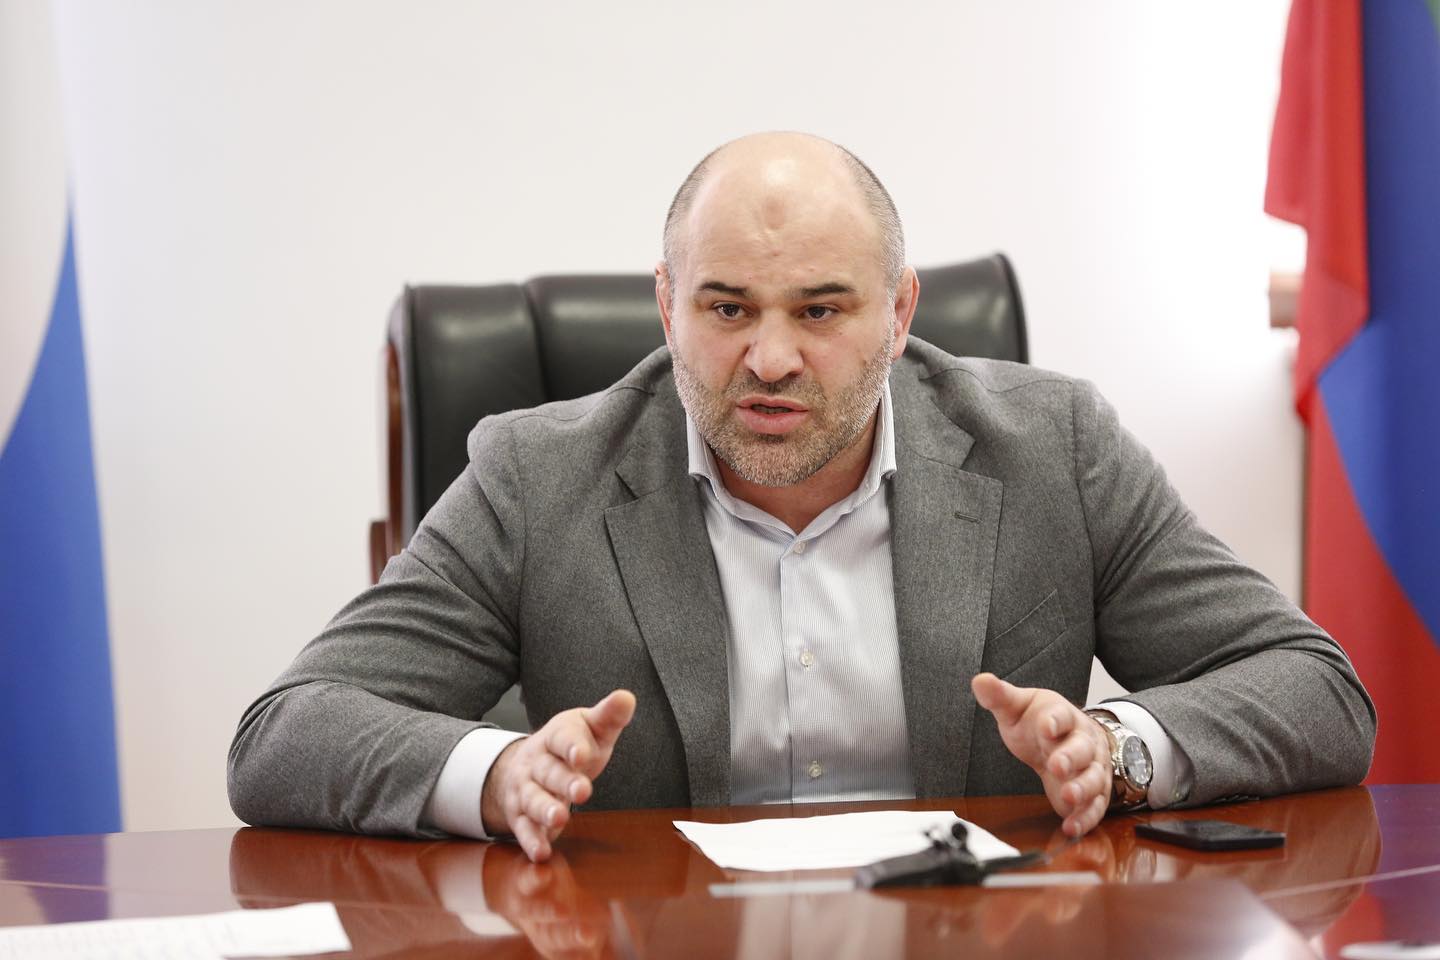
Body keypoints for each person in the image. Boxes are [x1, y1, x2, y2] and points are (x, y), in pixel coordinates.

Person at [228, 132, 1375, 863]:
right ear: (667, 305)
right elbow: (284, 733)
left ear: (900, 313)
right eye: (727, 308)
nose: (770, 359)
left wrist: (1117, 752)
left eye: (821, 310)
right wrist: (495, 775)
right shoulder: (539, 476)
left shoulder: (1050, 448)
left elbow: (1318, 690)